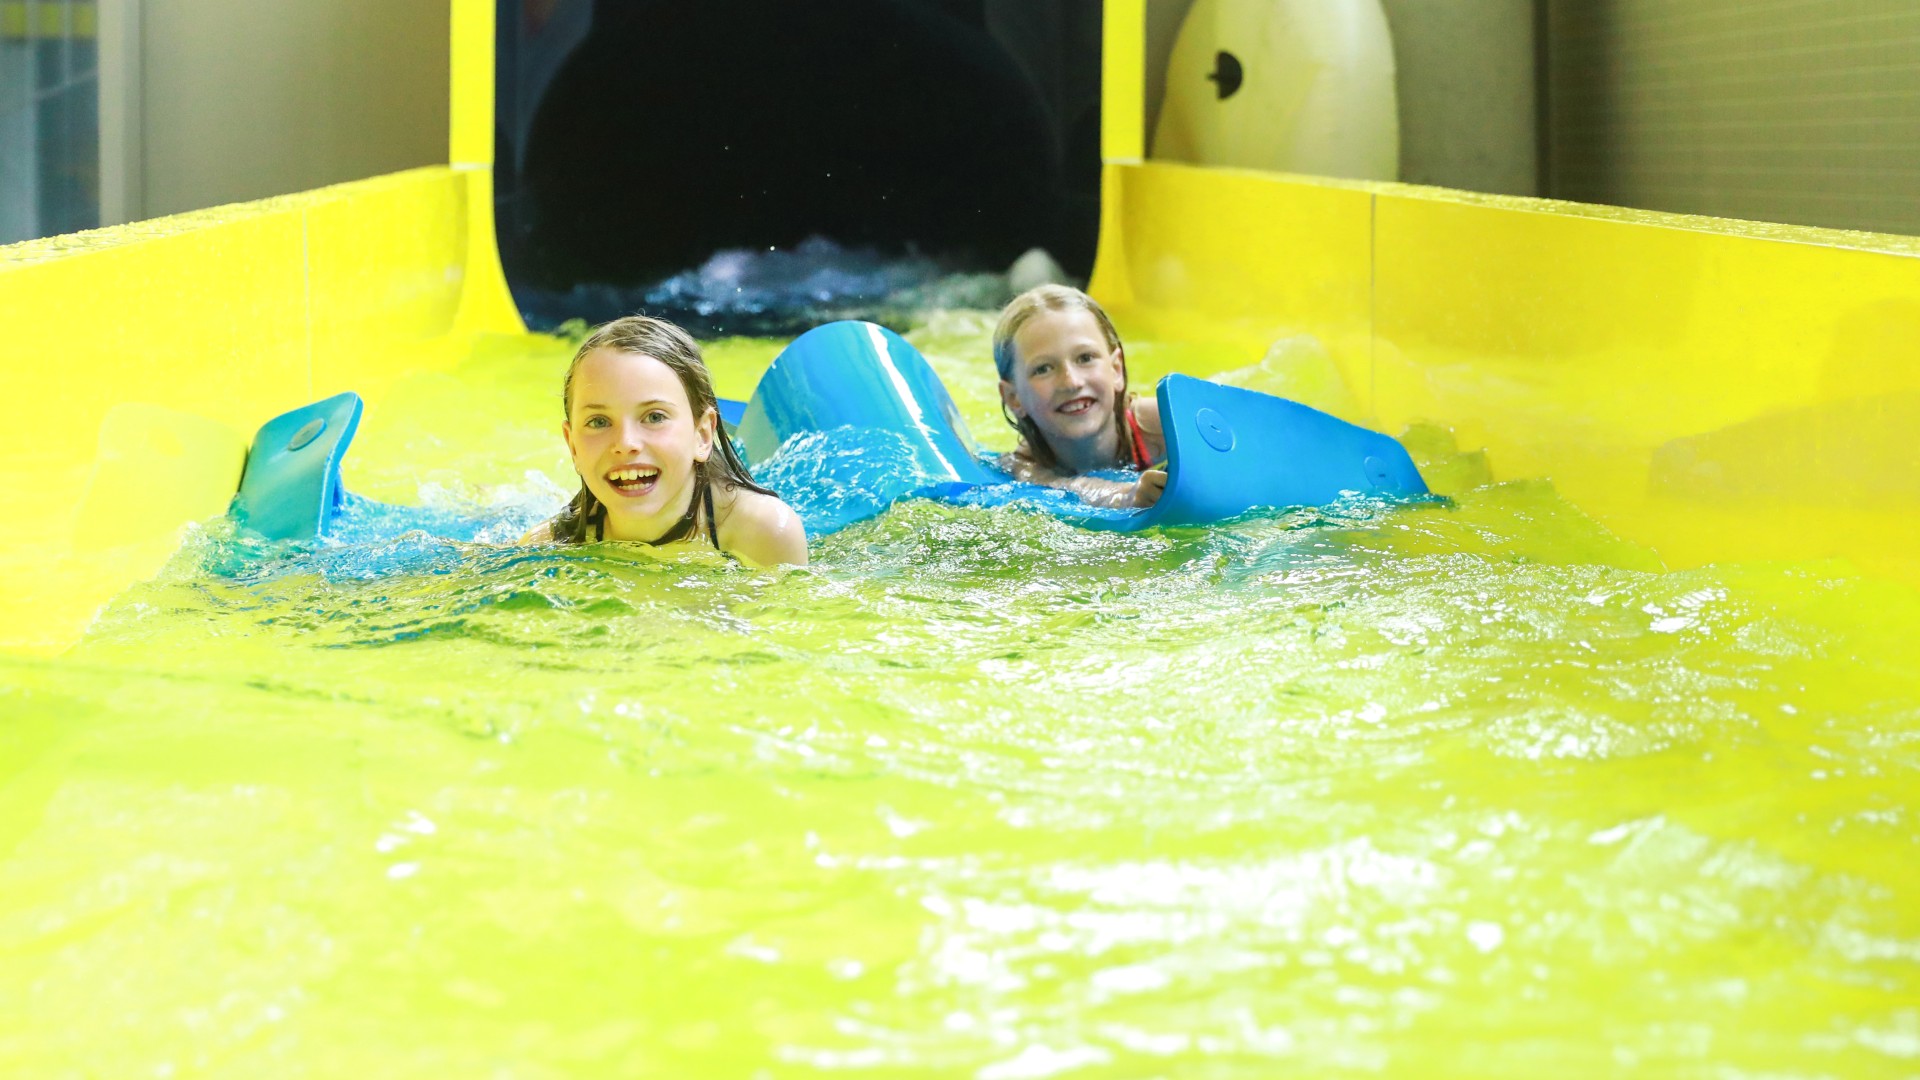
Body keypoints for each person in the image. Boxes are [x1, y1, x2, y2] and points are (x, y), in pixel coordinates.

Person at [520, 315, 808, 566]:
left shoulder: (763, 532)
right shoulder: (547, 548)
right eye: (599, 422)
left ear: (702, 435)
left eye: (654, 417)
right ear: (573, 446)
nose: (626, 442)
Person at [991, 285, 1167, 508]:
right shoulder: (1026, 469)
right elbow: (1070, 489)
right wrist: (1127, 495)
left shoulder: (1165, 426)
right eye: (1043, 369)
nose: (1071, 382)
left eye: (1085, 358)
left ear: (1116, 369)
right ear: (1013, 398)